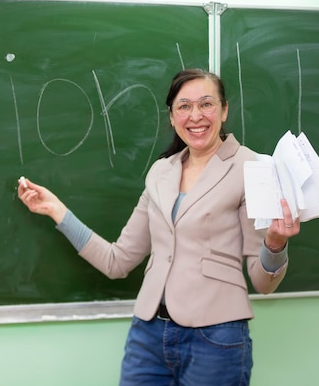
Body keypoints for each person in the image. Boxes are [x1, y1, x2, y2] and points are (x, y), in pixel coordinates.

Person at [17, 68, 300, 386]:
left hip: (216, 338)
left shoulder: (250, 168)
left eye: (206, 104)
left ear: (224, 110)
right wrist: (57, 211)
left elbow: (263, 283)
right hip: (148, 335)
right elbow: (117, 261)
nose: (195, 115)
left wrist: (275, 244)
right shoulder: (160, 173)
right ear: (172, 116)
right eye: (184, 106)